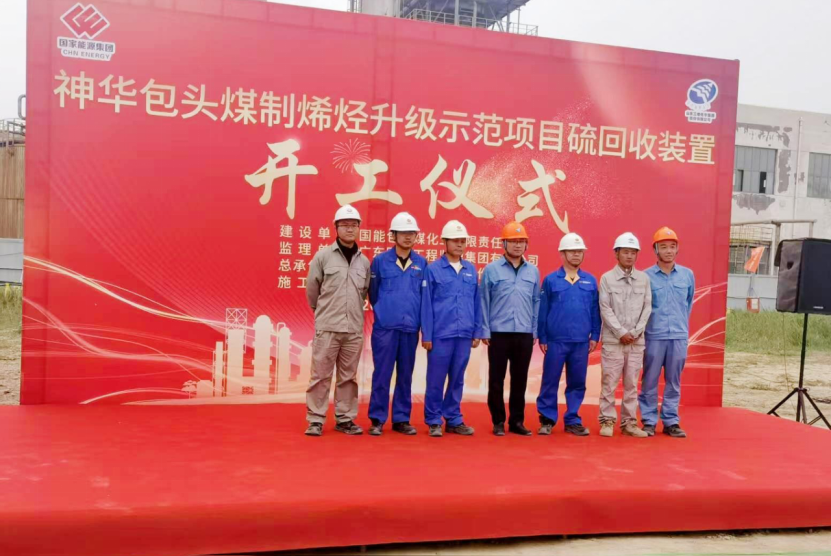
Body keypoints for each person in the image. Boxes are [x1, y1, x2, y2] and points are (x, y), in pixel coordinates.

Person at [303, 204, 371, 436]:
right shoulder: (322, 256)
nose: (350, 229)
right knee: (320, 375)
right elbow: (312, 291)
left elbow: (364, 292)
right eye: (345, 225)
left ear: (359, 228)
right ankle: (315, 419)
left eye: (354, 225)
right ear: (336, 228)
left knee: (348, 378)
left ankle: (345, 419)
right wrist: (324, 312)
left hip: (353, 329)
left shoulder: (364, 262)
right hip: (328, 327)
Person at [367, 212, 427, 436]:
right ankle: (377, 419)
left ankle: (401, 419)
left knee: (405, 376)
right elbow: (373, 294)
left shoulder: (421, 263)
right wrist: (385, 312)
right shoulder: (380, 261)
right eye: (403, 232)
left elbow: (423, 297)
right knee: (382, 374)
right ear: (393, 235)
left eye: (412, 233)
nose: (408, 236)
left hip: (410, 329)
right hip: (385, 329)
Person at [421, 220, 483, 437]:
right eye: (455, 240)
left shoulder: (470, 270)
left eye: (462, 241)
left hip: (464, 334)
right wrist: (427, 334)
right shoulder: (433, 270)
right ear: (444, 242)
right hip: (440, 335)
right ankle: (434, 420)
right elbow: (426, 305)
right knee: (435, 379)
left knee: (457, 378)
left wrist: (477, 331)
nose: (459, 244)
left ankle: (454, 418)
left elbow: (476, 302)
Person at [536, 232, 600, 436]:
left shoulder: (590, 281)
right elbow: (543, 310)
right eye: (572, 251)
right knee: (550, 381)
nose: (576, 255)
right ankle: (547, 419)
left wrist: (595, 335)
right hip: (556, 341)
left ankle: (572, 419)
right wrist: (543, 336)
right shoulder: (550, 280)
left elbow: (595, 310)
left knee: (577, 382)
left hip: (581, 341)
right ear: (562, 254)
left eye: (579, 251)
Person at [479, 221, 540, 436]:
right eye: (513, 241)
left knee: (520, 379)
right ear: (503, 244)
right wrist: (484, 329)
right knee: (496, 379)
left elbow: (536, 301)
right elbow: (484, 300)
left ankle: (517, 421)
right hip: (498, 332)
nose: (517, 245)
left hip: (524, 333)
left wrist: (534, 330)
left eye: (521, 241)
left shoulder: (533, 271)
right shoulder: (491, 270)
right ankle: (498, 421)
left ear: (527, 245)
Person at [639, 227, 695, 438]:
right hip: (654, 335)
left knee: (674, 381)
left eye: (672, 246)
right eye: (663, 247)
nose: (669, 251)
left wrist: (681, 327)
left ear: (677, 249)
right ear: (656, 250)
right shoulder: (646, 276)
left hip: (678, 336)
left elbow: (688, 303)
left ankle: (671, 421)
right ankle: (649, 421)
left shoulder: (687, 275)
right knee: (649, 381)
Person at [597, 232, 651, 438]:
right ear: (616, 253)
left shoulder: (644, 279)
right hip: (614, 341)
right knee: (609, 383)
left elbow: (647, 308)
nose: (629, 256)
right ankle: (607, 421)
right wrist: (620, 332)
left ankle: (629, 423)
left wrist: (635, 332)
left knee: (632, 384)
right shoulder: (607, 278)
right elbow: (605, 307)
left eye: (633, 252)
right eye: (625, 252)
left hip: (636, 342)